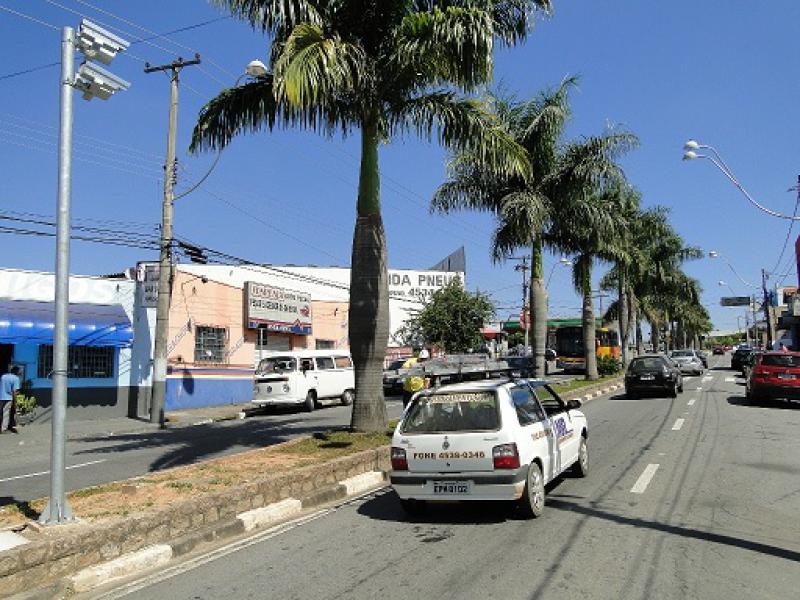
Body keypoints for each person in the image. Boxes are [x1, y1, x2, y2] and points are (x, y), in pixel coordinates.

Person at [0, 365, 21, 434]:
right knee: (6, 413)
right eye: (19, 371)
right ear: (17, 372)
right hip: (8, 398)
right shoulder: (16, 378)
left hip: (1, 396)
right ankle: (3, 429)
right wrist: (15, 402)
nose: (20, 372)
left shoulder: (3, 376)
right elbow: (14, 392)